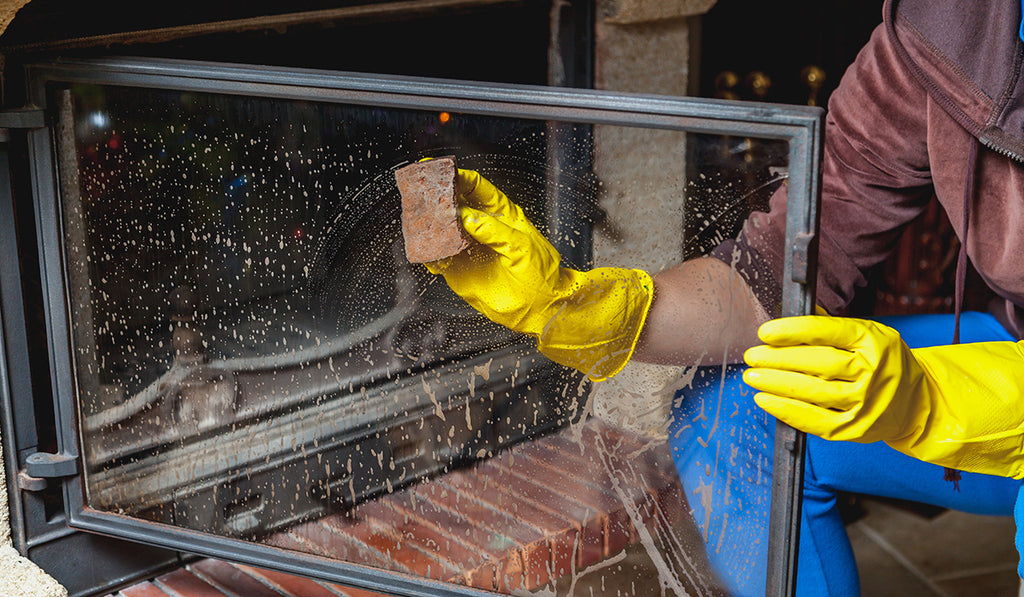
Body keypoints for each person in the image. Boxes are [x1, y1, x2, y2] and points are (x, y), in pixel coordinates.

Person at [424, 0, 1024, 594]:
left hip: (1000, 397)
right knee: (729, 416)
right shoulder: (944, 26)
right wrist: (577, 305)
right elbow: (771, 274)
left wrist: (934, 400)